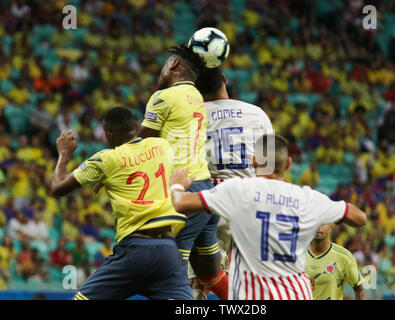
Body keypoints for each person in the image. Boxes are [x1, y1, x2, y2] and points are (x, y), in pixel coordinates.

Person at [169, 134, 367, 300]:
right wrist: (334, 211)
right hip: (297, 294)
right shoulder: (308, 198)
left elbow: (180, 203)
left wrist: (177, 184)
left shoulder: (238, 190)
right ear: (288, 164)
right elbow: (360, 218)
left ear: (254, 161)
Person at [50, 107, 192, 300]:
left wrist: (64, 154)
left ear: (109, 134)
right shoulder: (162, 146)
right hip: (166, 251)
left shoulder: (106, 159)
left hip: (134, 252)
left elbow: (58, 187)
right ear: (136, 125)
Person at [139, 45, 227, 299]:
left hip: (183, 193)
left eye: (164, 64)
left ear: (174, 64)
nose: (161, 71)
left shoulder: (163, 97)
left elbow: (137, 143)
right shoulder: (197, 96)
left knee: (169, 276)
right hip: (206, 192)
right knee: (211, 274)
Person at [193, 65, 274, 295]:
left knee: (200, 283)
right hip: (246, 204)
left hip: (204, 203)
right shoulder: (257, 113)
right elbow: (269, 170)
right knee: (245, 280)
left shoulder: (192, 116)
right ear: (225, 79)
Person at [305, 224, 366, 300]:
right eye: (316, 222)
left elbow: (359, 290)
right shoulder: (296, 256)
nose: (319, 227)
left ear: (331, 226)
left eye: (323, 223)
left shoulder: (344, 257)